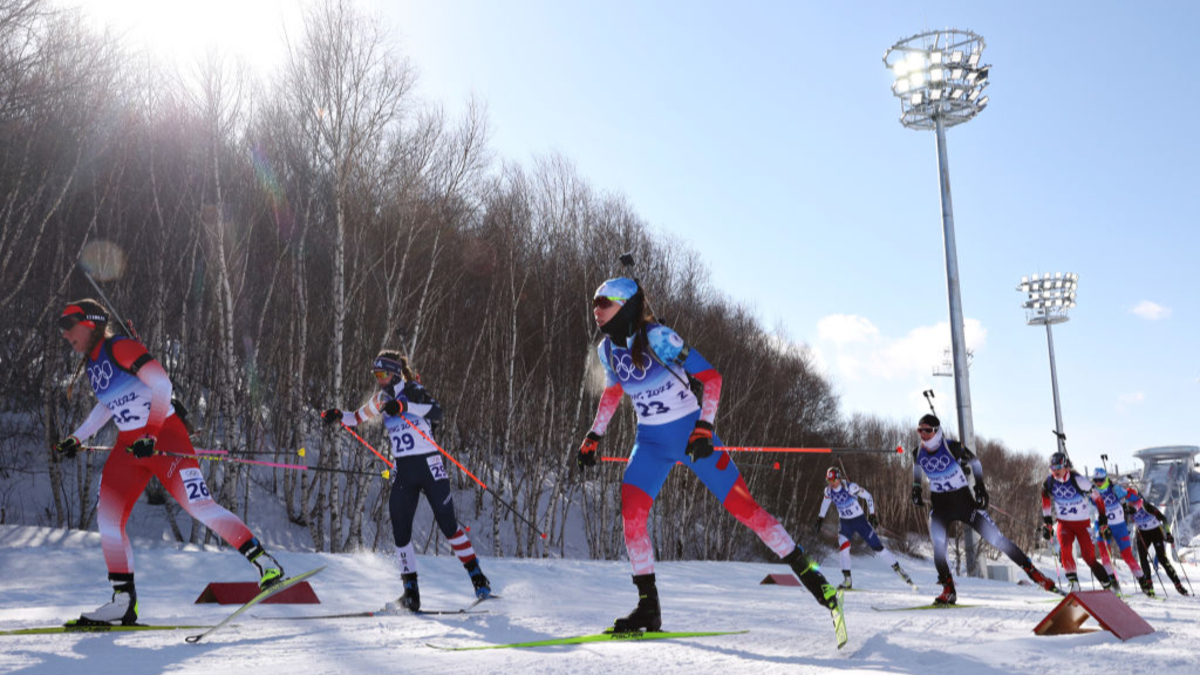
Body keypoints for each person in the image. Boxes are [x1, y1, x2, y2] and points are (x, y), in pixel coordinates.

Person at [577, 277, 838, 633]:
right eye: (594, 303)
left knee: (746, 510)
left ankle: (813, 577)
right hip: (650, 442)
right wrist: (594, 435)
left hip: (690, 436)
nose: (596, 310)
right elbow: (612, 393)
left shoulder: (659, 338)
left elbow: (712, 378)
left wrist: (705, 427)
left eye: (604, 302)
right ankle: (648, 609)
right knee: (632, 516)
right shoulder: (606, 351)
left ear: (624, 306)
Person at [55, 299, 283, 626]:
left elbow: (162, 384)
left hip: (164, 435)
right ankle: (123, 601)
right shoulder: (93, 364)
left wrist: (150, 433)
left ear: (90, 323)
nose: (65, 335)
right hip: (129, 445)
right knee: (108, 518)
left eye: (69, 326)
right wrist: (77, 437)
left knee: (199, 505)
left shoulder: (121, 347)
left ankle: (265, 563)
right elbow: (107, 405)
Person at [322, 350, 490, 612]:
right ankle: (411, 592)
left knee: (448, 526)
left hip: (429, 465)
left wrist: (404, 406)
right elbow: (356, 418)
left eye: (382, 374)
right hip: (404, 469)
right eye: (375, 375)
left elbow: (437, 413)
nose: (379, 380)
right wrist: (337, 414)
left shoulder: (413, 390)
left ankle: (478, 578)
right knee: (400, 529)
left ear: (394, 372)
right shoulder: (380, 399)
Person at [911, 414, 1059, 604]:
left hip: (964, 503)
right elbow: (916, 467)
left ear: (937, 431)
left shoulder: (951, 446)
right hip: (941, 506)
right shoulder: (917, 453)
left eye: (927, 430)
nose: (923, 435)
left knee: (997, 540)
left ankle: (1037, 576)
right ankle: (948, 590)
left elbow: (975, 462)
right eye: (920, 430)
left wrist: (980, 487)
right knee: (939, 549)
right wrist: (915, 487)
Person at [815, 467, 915, 590]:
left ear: (839, 479)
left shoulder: (850, 488)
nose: (831, 483)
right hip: (845, 522)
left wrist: (872, 515)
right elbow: (825, 503)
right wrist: (820, 518)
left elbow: (868, 496)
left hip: (860, 520)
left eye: (833, 480)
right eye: (829, 480)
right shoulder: (828, 491)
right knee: (844, 547)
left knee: (877, 548)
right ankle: (847, 580)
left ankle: (899, 569)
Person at [1040, 453, 1113, 593]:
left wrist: (1103, 520)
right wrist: (1047, 522)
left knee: (1089, 557)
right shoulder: (1049, 482)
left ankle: (1108, 587)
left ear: (1066, 466)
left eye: (1059, 467)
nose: (1055, 470)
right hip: (1064, 523)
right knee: (1065, 549)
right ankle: (1074, 584)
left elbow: (1098, 499)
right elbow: (1045, 497)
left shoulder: (1079, 480)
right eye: (1052, 467)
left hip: (1082, 524)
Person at [1089, 467, 1155, 596]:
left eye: (1101, 480)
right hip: (1102, 526)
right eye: (1095, 480)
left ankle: (1144, 584)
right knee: (1104, 555)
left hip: (1119, 526)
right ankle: (1114, 585)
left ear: (1106, 479)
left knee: (1127, 556)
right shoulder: (1093, 492)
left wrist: (1134, 509)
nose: (1098, 483)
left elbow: (1138, 500)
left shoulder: (1115, 489)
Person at [1128, 482, 1189, 595]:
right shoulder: (1127, 508)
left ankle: (1178, 585)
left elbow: (1164, 518)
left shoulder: (1146, 506)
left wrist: (1168, 533)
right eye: (1128, 503)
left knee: (1162, 559)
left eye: (1131, 502)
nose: (1130, 504)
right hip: (1142, 533)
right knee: (1143, 558)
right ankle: (1148, 585)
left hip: (1155, 531)